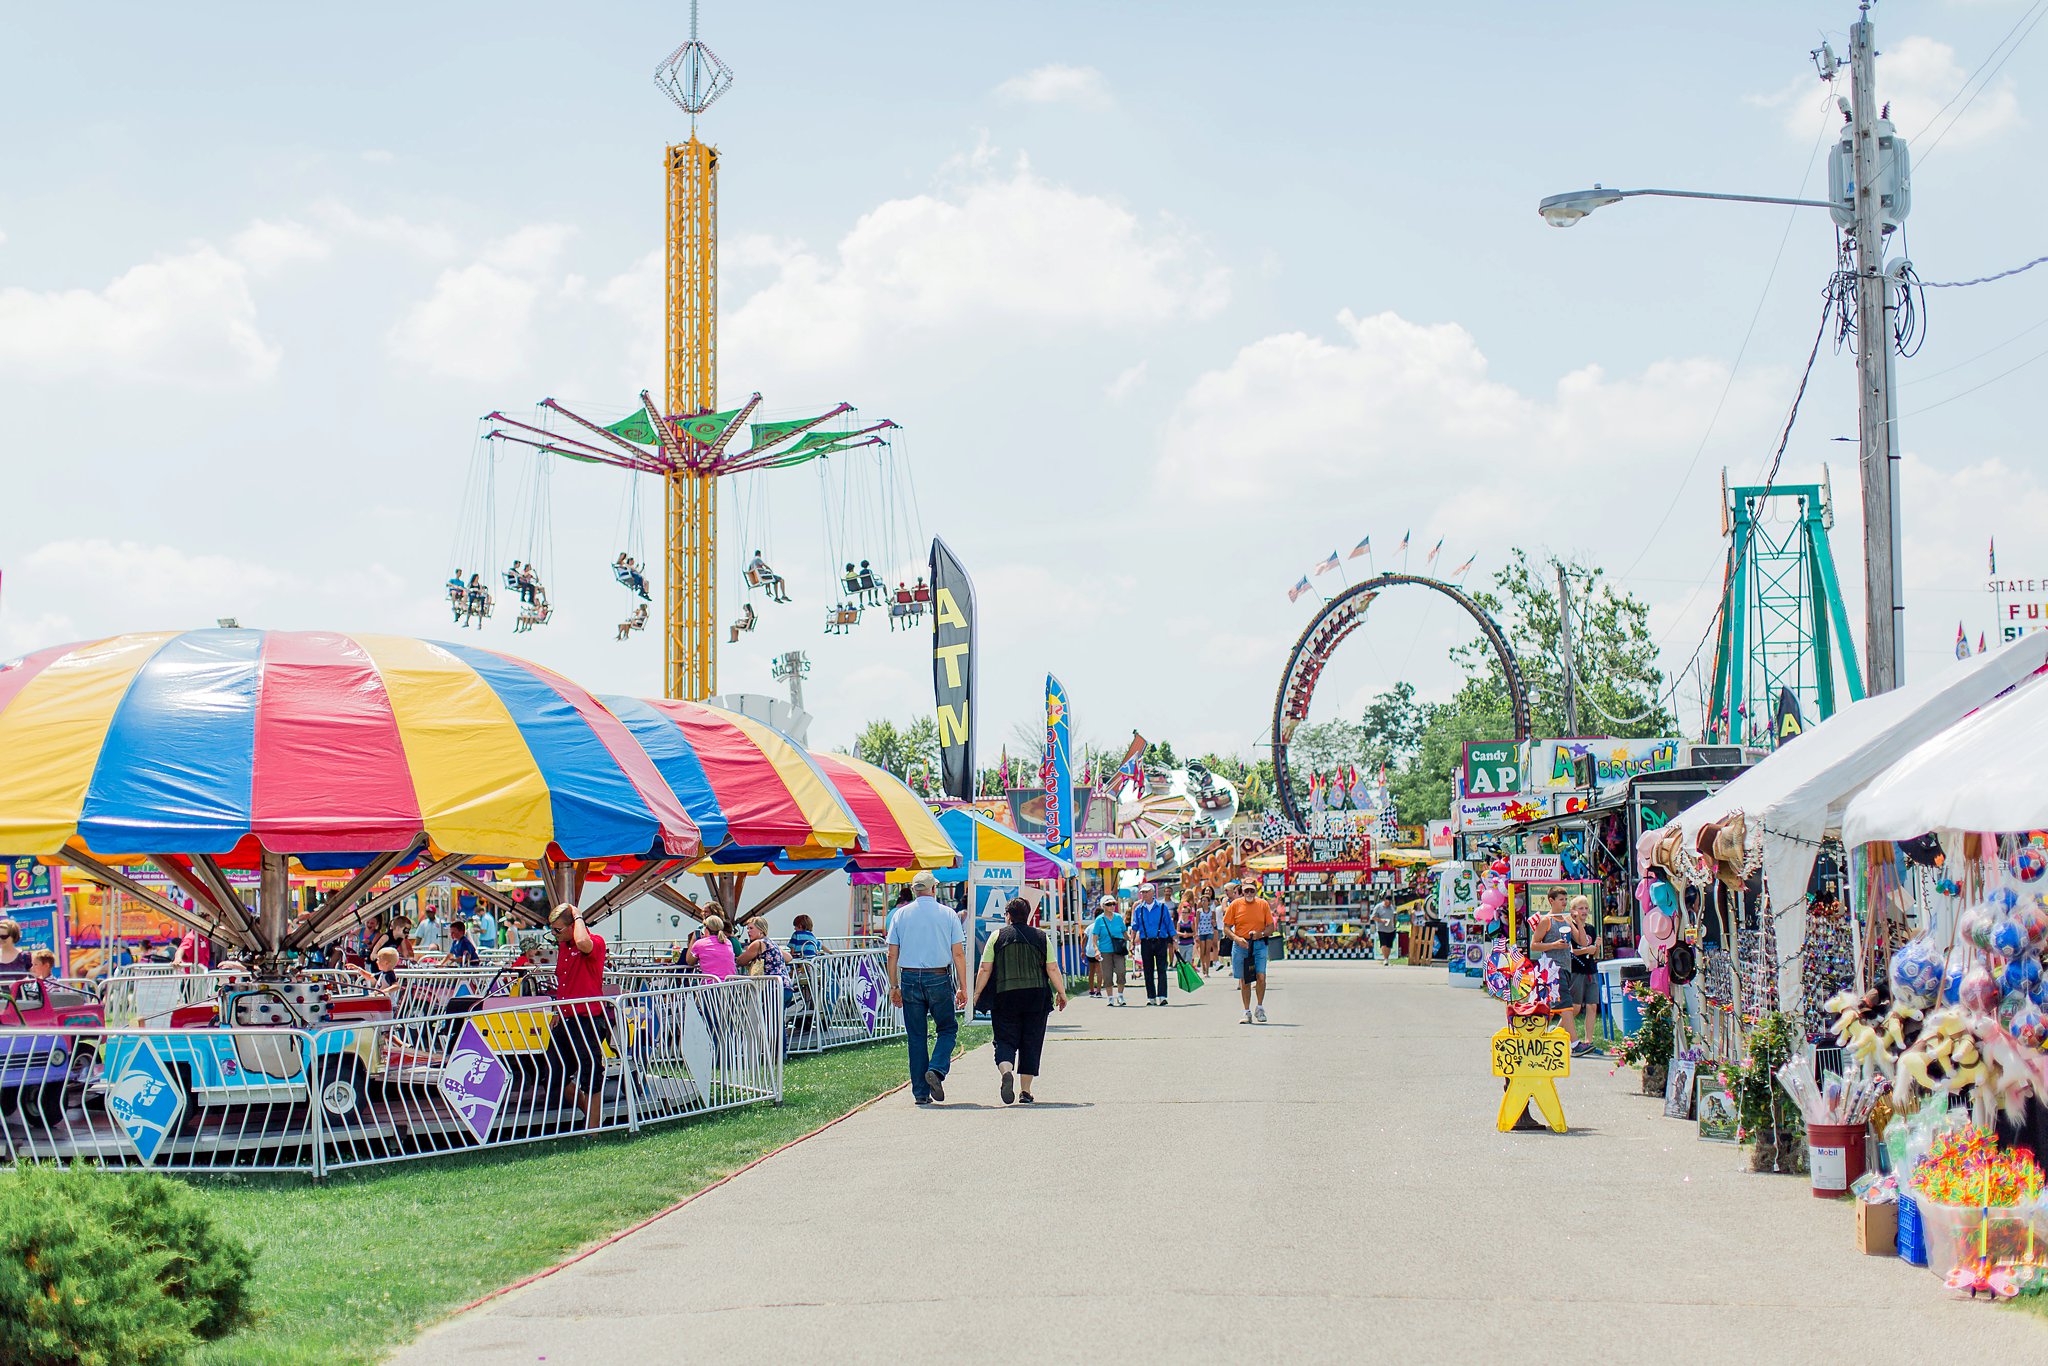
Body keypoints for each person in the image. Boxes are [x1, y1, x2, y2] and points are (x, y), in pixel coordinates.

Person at [885, 870, 968, 1105]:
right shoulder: (948, 914)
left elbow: (892, 953)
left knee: (917, 1036)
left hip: (909, 977)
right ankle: (937, 1068)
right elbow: (958, 953)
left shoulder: (900, 915)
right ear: (933, 889)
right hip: (939, 976)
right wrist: (963, 986)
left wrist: (894, 986)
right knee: (947, 1029)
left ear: (914, 890)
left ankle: (920, 1092)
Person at [973, 896, 1067, 1104]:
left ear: (1008, 916)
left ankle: (1006, 1070)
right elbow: (1052, 967)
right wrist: (1061, 992)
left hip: (1005, 996)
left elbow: (985, 968)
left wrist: (977, 993)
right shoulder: (1041, 937)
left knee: (1005, 1039)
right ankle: (1025, 1091)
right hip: (1036, 997)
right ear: (1028, 915)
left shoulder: (997, 937)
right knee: (1031, 1042)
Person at [548, 903, 611, 1129]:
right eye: (552, 930)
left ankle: (593, 1129)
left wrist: (578, 916)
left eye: (558, 930)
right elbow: (565, 983)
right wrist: (557, 1008)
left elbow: (584, 943)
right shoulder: (564, 947)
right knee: (552, 1069)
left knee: (590, 1069)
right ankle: (592, 1115)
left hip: (587, 1017)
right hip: (567, 1018)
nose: (554, 935)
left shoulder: (594, 942)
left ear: (573, 926)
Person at [1224, 878, 1277, 1024]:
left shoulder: (1262, 904)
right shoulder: (1235, 905)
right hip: (1241, 945)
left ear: (1256, 890)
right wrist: (1237, 938)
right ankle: (1246, 1011)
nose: (1249, 893)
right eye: (1246, 890)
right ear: (1242, 891)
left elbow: (1271, 927)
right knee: (1244, 980)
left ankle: (1259, 1008)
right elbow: (1226, 928)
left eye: (1251, 890)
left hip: (1259, 944)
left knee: (1261, 976)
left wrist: (1261, 934)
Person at [1561, 894, 1603, 1057]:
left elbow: (1593, 952)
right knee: (1576, 1007)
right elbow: (1570, 951)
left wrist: (1596, 947)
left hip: (1590, 969)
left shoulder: (1590, 928)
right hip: (1576, 970)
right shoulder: (1569, 928)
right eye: (1580, 908)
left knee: (1592, 1006)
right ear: (1573, 911)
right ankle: (1557, 1032)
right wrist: (1587, 949)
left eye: (1586, 908)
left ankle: (1588, 1041)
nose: (1584, 911)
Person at [1129, 882, 1176, 1006]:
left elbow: (1169, 924)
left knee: (1162, 968)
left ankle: (1162, 995)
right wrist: (1132, 941)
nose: (1143, 894)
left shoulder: (1161, 907)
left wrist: (1174, 940)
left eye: (1146, 892)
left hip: (1160, 940)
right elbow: (1134, 926)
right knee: (1148, 970)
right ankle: (1151, 996)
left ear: (1152, 893)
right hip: (1146, 941)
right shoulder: (1139, 909)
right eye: (1142, 892)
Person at [1530, 888, 1572, 1013]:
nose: (1564, 902)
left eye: (1566, 899)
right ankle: (1571, 1034)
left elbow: (1581, 941)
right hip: (1553, 968)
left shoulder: (1566, 919)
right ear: (1551, 901)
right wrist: (1553, 945)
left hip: (1566, 967)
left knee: (1552, 1008)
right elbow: (1534, 945)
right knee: (1566, 1008)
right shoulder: (1546, 920)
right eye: (1561, 899)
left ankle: (1542, 1030)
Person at [1088, 895, 1128, 1007]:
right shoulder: (1099, 920)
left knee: (1121, 971)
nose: (1111, 906)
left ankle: (1120, 995)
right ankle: (1110, 997)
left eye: (1113, 904)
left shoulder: (1119, 918)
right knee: (1107, 974)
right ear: (1103, 906)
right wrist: (1096, 949)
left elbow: (1124, 932)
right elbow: (1095, 936)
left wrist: (1132, 941)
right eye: (1108, 904)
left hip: (1118, 949)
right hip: (1105, 950)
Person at [737, 916, 790, 981]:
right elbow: (789, 957)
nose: (748, 931)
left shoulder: (758, 943)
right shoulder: (771, 943)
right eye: (747, 929)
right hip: (783, 983)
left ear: (761, 929)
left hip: (770, 987)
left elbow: (740, 961)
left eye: (751, 928)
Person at [1195, 890, 1220, 976]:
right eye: (1202, 900)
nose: (1203, 902)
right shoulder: (1199, 911)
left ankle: (1208, 970)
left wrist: (1214, 924)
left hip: (1209, 931)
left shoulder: (1212, 911)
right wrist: (1196, 934)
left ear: (1208, 902)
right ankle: (1203, 967)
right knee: (1202, 951)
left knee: (1208, 951)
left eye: (1205, 900)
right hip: (1201, 932)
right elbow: (1197, 922)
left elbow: (1214, 922)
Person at [1371, 893, 1398, 966]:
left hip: (1391, 928)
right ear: (1385, 901)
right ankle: (1385, 959)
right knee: (1383, 944)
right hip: (1381, 928)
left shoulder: (1392, 907)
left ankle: (1387, 957)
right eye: (1388, 902)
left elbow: (1394, 916)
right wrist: (1381, 920)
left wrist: (1395, 925)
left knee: (1389, 945)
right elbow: (1373, 917)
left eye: (1390, 902)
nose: (1389, 904)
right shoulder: (1378, 907)